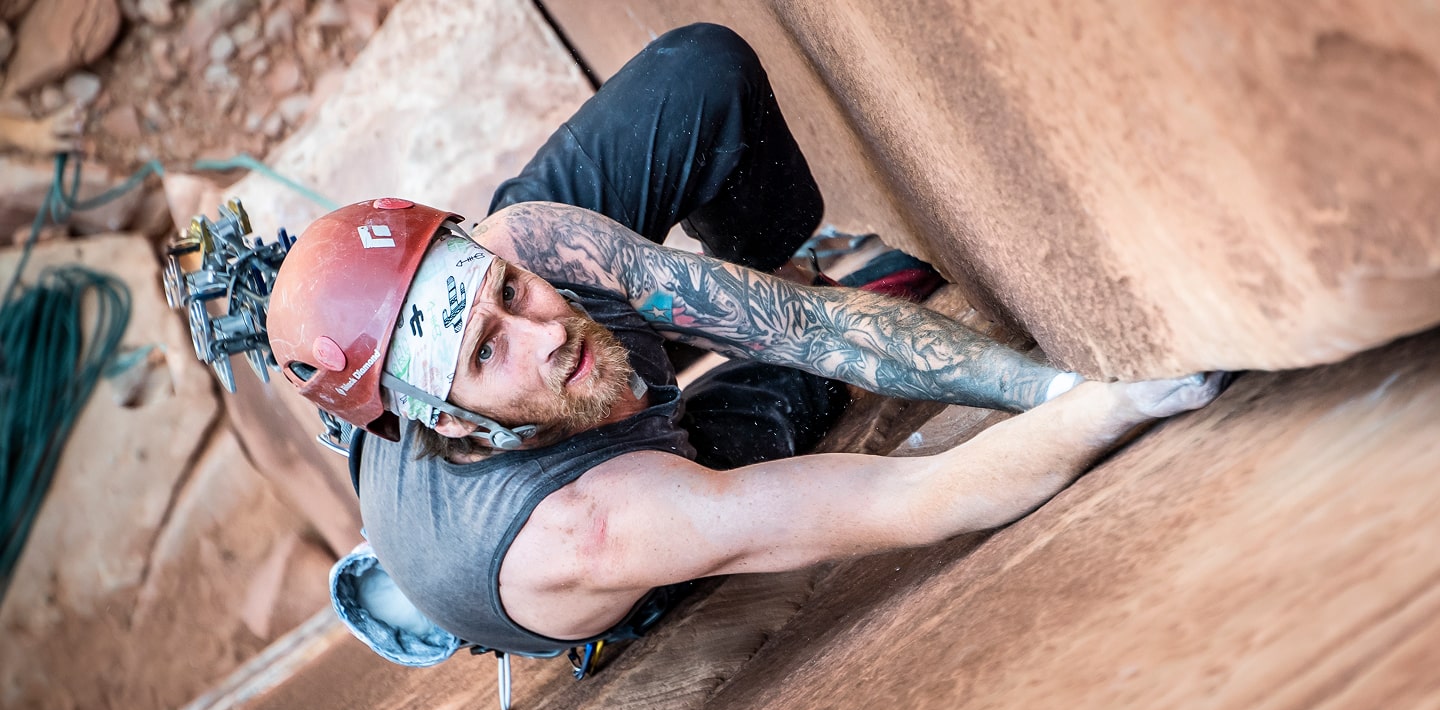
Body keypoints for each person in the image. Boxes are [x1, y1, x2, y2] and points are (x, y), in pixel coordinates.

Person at [267, 24, 1225, 658]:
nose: (542, 329)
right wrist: (1118, 398)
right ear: (457, 423)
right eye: (486, 349)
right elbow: (916, 494)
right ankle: (424, 596)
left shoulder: (527, 252)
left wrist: (1043, 379)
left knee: (701, 75)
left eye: (511, 294)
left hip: (476, 415)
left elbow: (805, 323)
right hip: (580, 495)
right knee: (779, 393)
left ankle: (763, 264)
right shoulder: (592, 529)